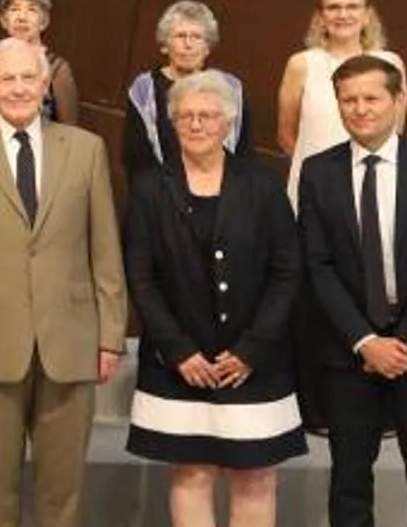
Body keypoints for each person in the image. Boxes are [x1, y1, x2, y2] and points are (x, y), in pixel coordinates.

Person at [0, 37, 127, 527]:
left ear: (45, 85)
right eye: (8, 78)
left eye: (28, 78)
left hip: (71, 339)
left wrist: (110, 333)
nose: (18, 87)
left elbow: (105, 249)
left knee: (63, 489)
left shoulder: (86, 150)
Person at [123, 71, 305, 527]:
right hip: (179, 364)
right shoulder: (149, 188)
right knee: (191, 472)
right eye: (186, 117)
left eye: (207, 116)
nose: (197, 125)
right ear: (172, 124)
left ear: (228, 123)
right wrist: (179, 349)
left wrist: (251, 350)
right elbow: (141, 277)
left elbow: (287, 272)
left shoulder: (264, 186)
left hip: (254, 362)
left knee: (255, 477)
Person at [300, 55, 407, 527]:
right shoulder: (318, 172)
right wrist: (366, 341)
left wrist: (405, 342)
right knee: (350, 481)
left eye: (371, 98)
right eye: (348, 100)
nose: (360, 109)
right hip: (349, 350)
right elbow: (317, 266)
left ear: (399, 100)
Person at [277, 0, 406, 209]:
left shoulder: (390, 63)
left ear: (367, 15)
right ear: (321, 17)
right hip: (312, 192)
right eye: (333, 7)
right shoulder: (301, 64)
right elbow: (286, 135)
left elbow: (395, 131)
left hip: (371, 191)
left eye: (352, 7)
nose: (343, 15)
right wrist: (320, 176)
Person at [123, 0, 252, 180]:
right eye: (180, 36)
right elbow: (136, 157)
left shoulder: (230, 89)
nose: (188, 44)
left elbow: (244, 154)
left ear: (207, 47)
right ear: (165, 45)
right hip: (158, 193)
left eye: (197, 37)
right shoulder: (143, 90)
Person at [0, 0, 79, 125]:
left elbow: (69, 131)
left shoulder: (58, 70)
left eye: (31, 10)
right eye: (14, 9)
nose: (22, 17)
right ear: (3, 20)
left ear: (44, 22)